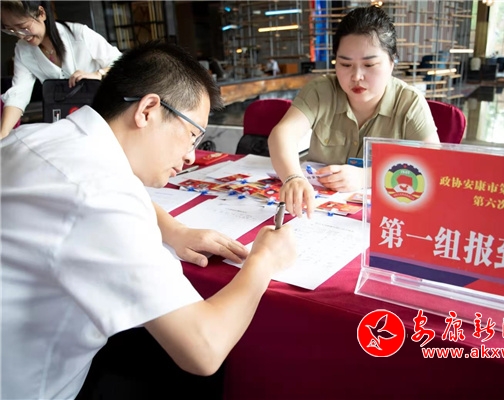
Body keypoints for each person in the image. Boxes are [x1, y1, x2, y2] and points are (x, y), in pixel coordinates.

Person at [1, 41, 296, 399]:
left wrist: (174, 229)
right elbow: (204, 350)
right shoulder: (100, 195)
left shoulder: (34, 137)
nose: (190, 157)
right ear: (148, 110)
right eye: (192, 135)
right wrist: (264, 260)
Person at [268, 6, 439, 218]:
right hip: (317, 211)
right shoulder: (321, 91)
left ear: (392, 62)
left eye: (369, 64)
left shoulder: (409, 102)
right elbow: (282, 134)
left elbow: (433, 164)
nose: (357, 76)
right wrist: (293, 177)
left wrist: (366, 177)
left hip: (380, 220)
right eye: (345, 64)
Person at [1, 0, 122, 138]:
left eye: (23, 27)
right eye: (11, 30)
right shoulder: (23, 50)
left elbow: (122, 63)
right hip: (66, 123)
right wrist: (3, 133)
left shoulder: (79, 34)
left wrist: (98, 74)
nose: (20, 35)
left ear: (41, 13)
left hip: (103, 115)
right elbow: (18, 95)